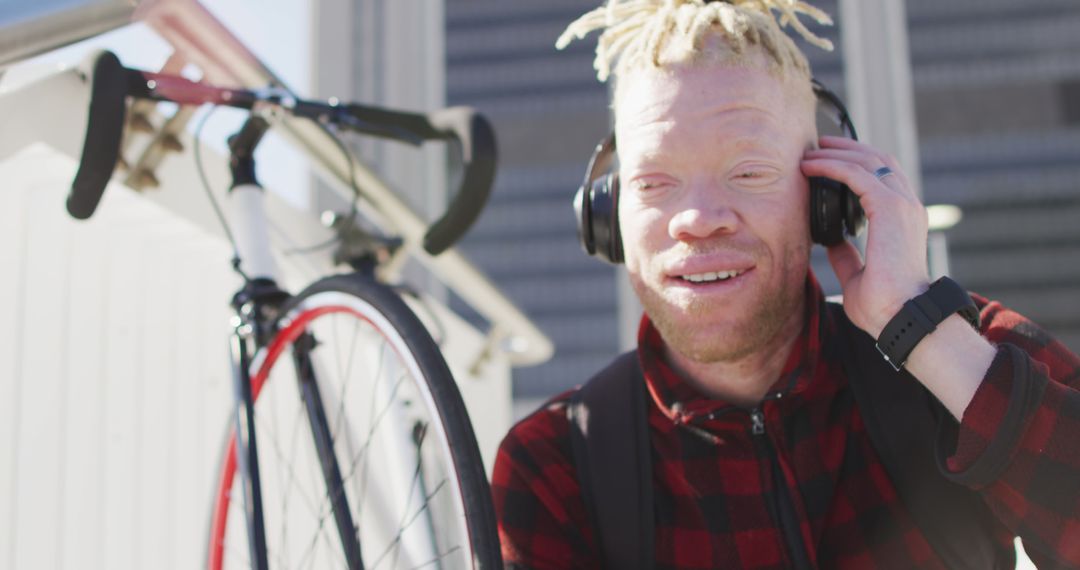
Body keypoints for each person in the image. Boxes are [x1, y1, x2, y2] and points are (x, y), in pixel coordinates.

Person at [490, 0, 1080, 568]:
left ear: (828, 200)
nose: (697, 218)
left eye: (748, 171)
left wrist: (920, 330)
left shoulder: (968, 358)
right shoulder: (554, 465)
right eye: (654, 182)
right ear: (607, 219)